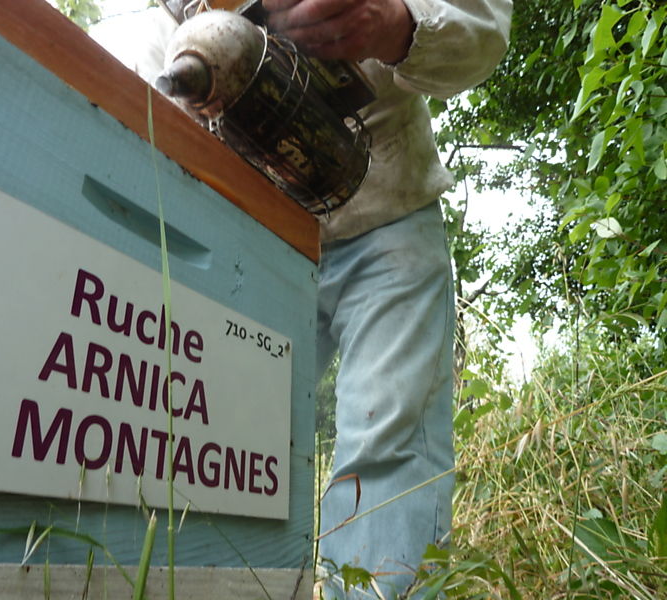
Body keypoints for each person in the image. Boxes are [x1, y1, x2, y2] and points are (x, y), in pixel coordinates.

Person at [128, 1, 512, 597]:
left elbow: (481, 22)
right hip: (251, 227)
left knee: (388, 436)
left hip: (388, 217)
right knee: (220, 436)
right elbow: (148, 36)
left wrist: (395, 22)